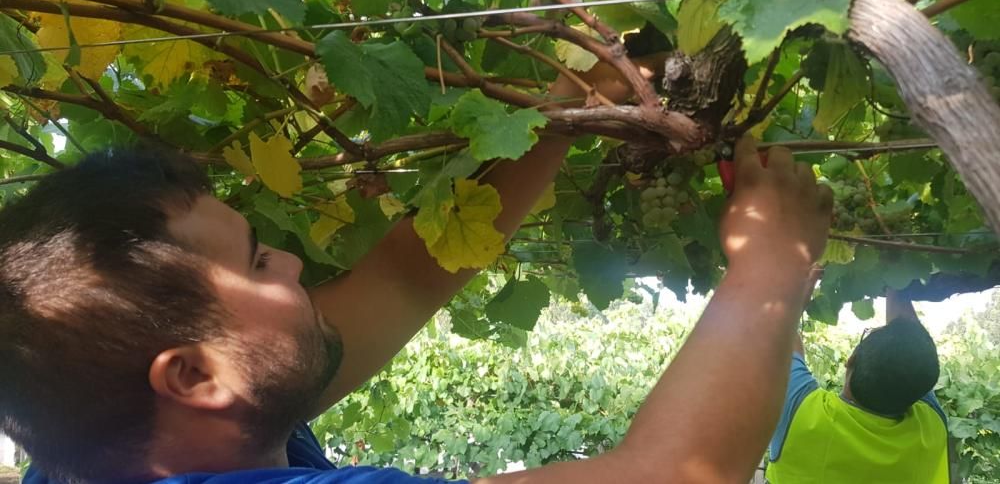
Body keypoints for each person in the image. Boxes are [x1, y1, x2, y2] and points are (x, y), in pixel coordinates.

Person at [0, 58, 833, 484]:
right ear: (190, 374)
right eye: (259, 263)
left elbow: (403, 280)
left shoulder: (122, 442)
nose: (291, 259)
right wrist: (775, 262)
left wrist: (562, 117)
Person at [765, 288, 948, 483]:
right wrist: (894, 278)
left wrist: (795, 295)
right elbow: (913, 352)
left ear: (850, 360)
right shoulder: (931, 427)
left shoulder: (802, 414)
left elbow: (780, 331)